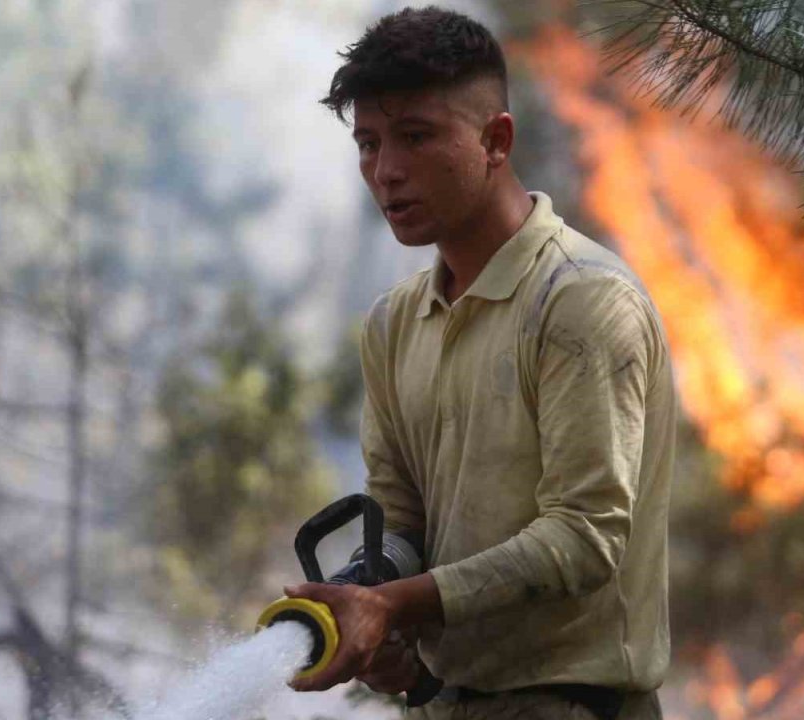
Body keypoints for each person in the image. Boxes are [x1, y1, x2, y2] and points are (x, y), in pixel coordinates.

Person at [283, 6, 676, 719]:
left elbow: (585, 538)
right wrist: (375, 604)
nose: (387, 172)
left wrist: (398, 601)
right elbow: (401, 523)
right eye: (368, 143)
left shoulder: (580, 301)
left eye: (416, 136)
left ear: (496, 140)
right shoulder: (395, 323)